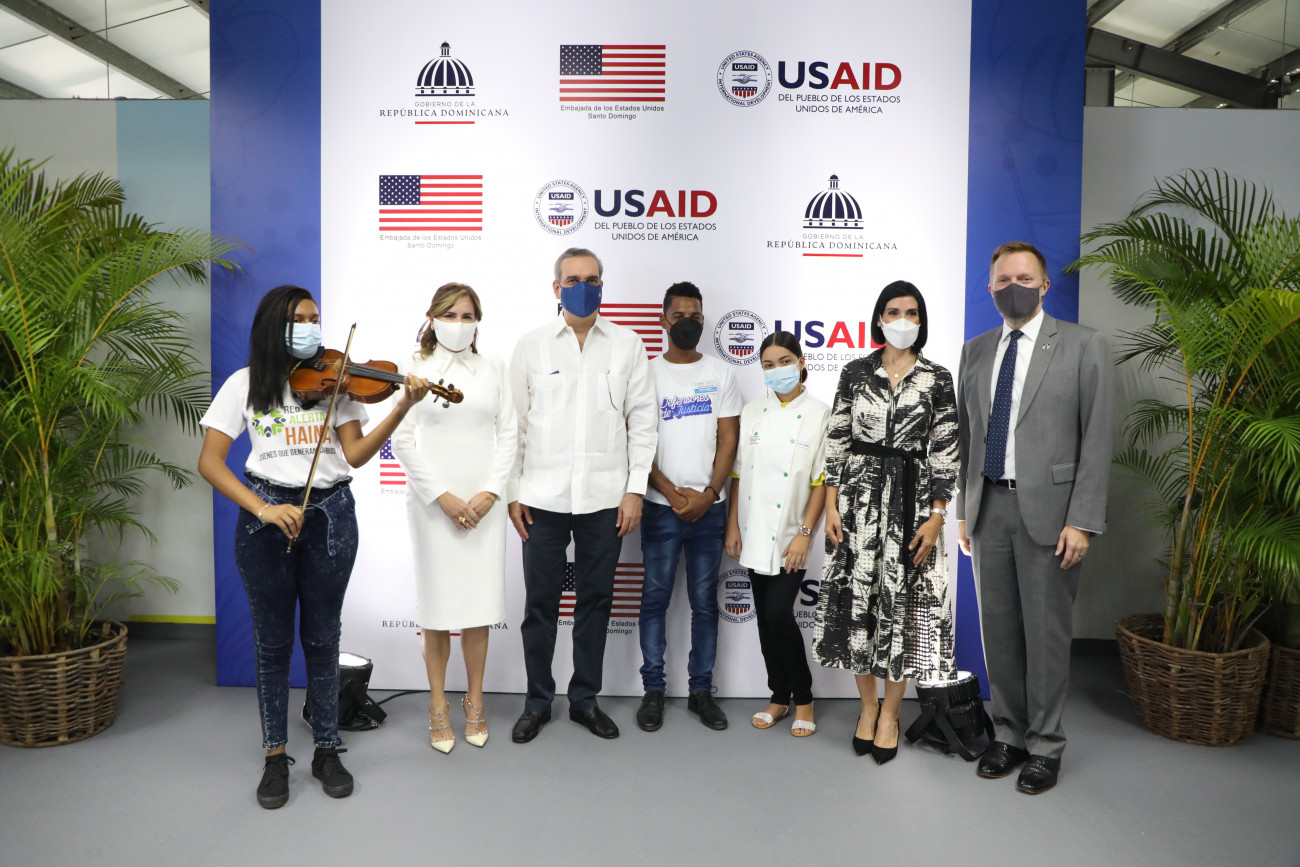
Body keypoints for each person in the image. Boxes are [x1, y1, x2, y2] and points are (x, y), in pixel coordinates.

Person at [198, 285, 430, 809]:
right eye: (300, 319)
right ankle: (275, 756)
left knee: (324, 639)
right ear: (273, 326)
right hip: (265, 519)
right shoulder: (244, 384)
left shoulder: (337, 382)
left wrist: (402, 405)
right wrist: (263, 509)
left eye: (315, 318)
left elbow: (357, 454)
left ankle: (327, 748)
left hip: (331, 515)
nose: (312, 328)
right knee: (272, 644)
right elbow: (210, 461)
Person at [956, 241, 1113, 795]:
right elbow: (968, 438)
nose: (1013, 287)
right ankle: (1009, 733)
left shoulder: (1083, 345)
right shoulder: (975, 351)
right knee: (998, 632)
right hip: (989, 508)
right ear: (991, 288)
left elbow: (1097, 439)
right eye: (1003, 280)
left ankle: (1045, 745)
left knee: (1045, 635)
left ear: (1044, 285)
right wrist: (964, 511)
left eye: (1024, 278)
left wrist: (1083, 520)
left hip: (1052, 513)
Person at [507, 248, 657, 742]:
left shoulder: (628, 345)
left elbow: (643, 423)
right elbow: (513, 426)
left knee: (595, 602)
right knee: (540, 605)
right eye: (572, 280)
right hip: (541, 498)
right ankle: (537, 702)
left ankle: (584, 700)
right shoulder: (530, 346)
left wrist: (635, 491)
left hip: (605, 499)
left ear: (602, 285)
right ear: (556, 288)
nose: (583, 287)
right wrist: (512, 492)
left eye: (592, 279)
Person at [813, 281, 959, 765]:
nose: (902, 320)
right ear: (879, 318)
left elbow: (946, 451)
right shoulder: (855, 372)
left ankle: (892, 714)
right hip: (857, 503)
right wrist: (831, 505)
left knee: (903, 608)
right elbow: (837, 440)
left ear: (922, 320)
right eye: (893, 311)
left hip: (913, 507)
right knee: (861, 604)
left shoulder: (937, 378)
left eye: (911, 312)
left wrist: (937, 517)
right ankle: (868, 708)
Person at [391, 282, 516, 753]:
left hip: (485, 507)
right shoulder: (414, 367)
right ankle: (438, 705)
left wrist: (490, 493)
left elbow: (509, 436)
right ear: (432, 318)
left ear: (477, 322)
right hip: (433, 507)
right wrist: (441, 496)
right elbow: (402, 440)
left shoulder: (494, 368)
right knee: (438, 610)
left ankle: (475, 701)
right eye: (450, 315)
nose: (458, 324)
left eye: (467, 316)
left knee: (479, 609)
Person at [636, 282, 741, 732]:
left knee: (704, 604)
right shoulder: (645, 374)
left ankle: (701, 692)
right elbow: (636, 442)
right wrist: (669, 490)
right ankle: (653, 691)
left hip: (709, 510)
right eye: (679, 316)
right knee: (654, 600)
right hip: (659, 507)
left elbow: (729, 439)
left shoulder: (721, 373)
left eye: (695, 317)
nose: (687, 323)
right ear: (663, 319)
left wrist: (710, 493)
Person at [725, 332, 830, 738]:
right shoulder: (752, 411)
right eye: (767, 365)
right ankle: (778, 696)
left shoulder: (819, 414)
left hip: (791, 533)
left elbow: (821, 481)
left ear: (801, 362)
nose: (776, 370)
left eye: (784, 361)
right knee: (765, 623)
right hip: (753, 530)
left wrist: (805, 534)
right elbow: (738, 474)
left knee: (778, 615)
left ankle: (803, 698)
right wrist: (733, 524)